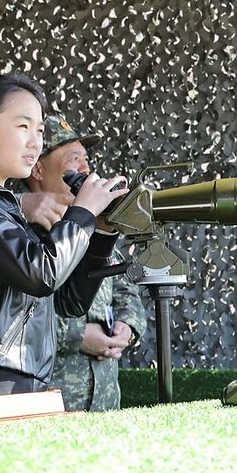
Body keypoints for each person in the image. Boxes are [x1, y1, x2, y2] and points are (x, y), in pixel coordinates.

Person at [0, 74, 129, 400]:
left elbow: (70, 302)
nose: (35, 141)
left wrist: (102, 234)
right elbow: (41, 273)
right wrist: (82, 214)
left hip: (21, 384)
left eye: (39, 130)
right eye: (23, 127)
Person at [26, 115, 147, 410]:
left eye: (86, 158)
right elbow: (12, 314)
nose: (85, 168)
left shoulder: (91, 227)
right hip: (49, 405)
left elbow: (123, 287)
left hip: (104, 403)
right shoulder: (18, 230)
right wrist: (76, 336)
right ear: (37, 168)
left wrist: (127, 328)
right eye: (74, 158)